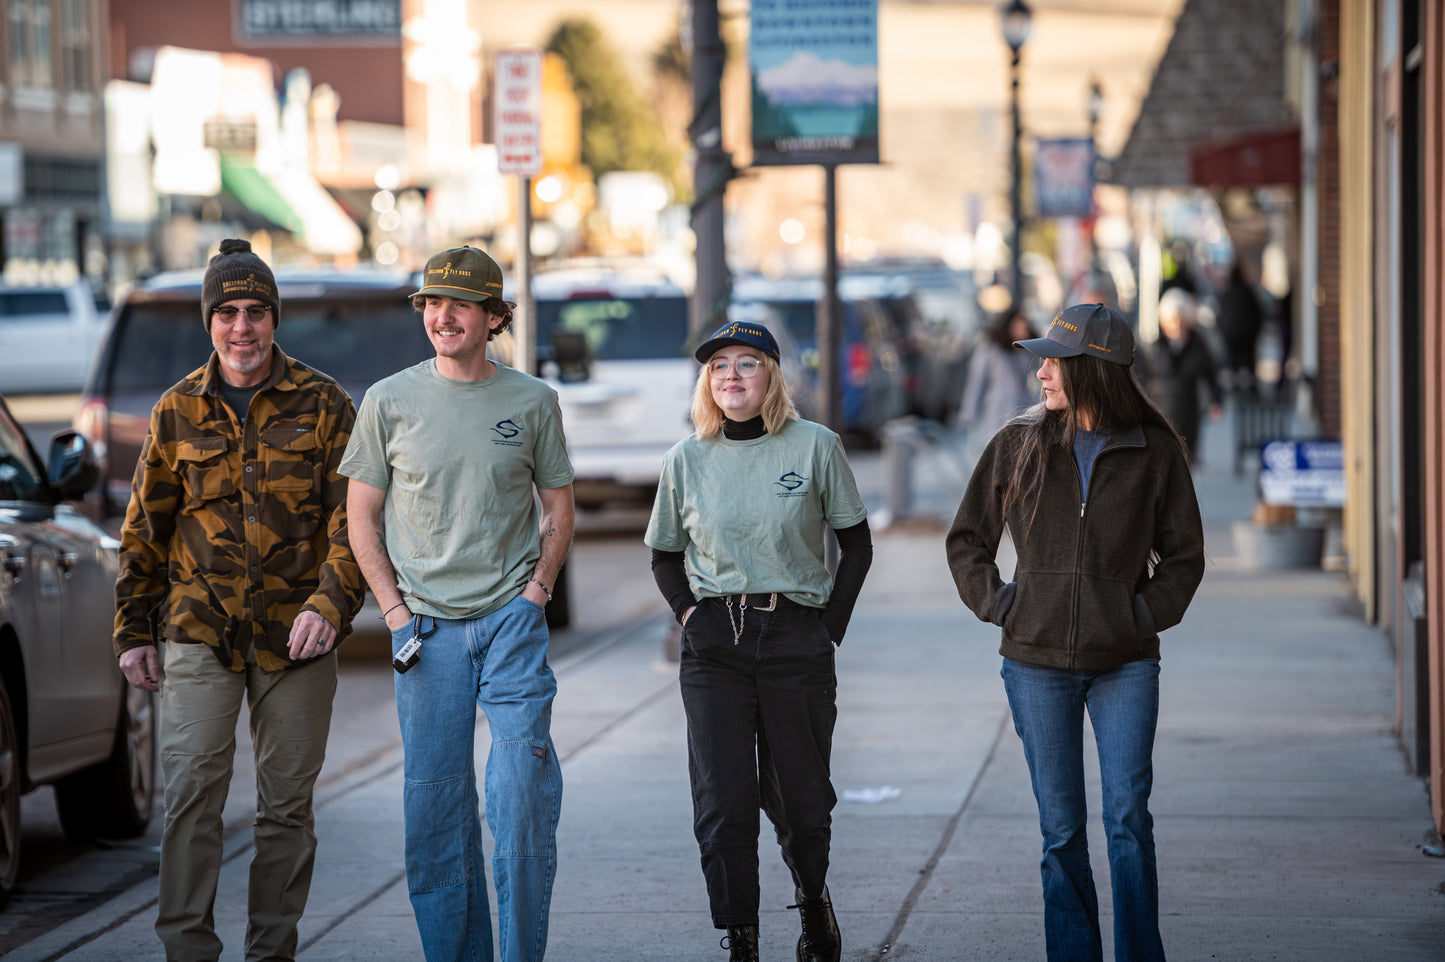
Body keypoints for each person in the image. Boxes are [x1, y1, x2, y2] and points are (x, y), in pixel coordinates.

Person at [114, 238, 365, 962]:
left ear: (275, 317)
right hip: (198, 635)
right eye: (228, 312)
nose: (243, 328)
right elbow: (145, 531)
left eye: (257, 311)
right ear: (209, 320)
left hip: (298, 640)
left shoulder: (323, 406)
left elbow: (354, 525)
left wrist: (331, 604)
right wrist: (132, 631)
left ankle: (270, 952)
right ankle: (188, 950)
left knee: (286, 808)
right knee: (192, 794)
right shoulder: (175, 412)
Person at [944, 303, 1205, 962]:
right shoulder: (1017, 442)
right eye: (1043, 359)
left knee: (1126, 820)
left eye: (1057, 361)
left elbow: (1183, 558)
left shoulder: (1154, 452)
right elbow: (967, 539)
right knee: (1059, 832)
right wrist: (1002, 604)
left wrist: (1140, 615)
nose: (1042, 373)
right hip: (1034, 664)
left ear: (1096, 371)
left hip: (1124, 662)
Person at [340, 245, 575, 962]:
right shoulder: (389, 400)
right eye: (432, 304)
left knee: (520, 797)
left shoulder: (532, 401)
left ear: (492, 316)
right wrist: (396, 614)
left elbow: (558, 509)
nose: (442, 316)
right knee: (436, 815)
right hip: (426, 636)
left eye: (460, 304)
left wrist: (536, 593)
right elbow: (360, 520)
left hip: (510, 626)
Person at [645, 320, 872, 962]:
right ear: (707, 382)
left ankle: (812, 901)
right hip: (715, 645)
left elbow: (856, 544)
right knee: (723, 803)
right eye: (720, 367)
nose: (733, 377)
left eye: (748, 363)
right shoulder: (685, 459)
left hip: (795, 639)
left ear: (773, 375)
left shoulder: (815, 446)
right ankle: (740, 935)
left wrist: (829, 628)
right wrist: (691, 615)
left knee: (801, 800)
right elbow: (664, 555)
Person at [1138, 288, 1222, 463]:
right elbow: (1143, 378)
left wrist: (1216, 400)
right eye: (1171, 321)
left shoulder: (1197, 345)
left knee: (1186, 460)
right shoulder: (1155, 348)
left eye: (1179, 320)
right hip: (1162, 411)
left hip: (1189, 411)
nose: (1176, 325)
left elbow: (1211, 373)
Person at [957, 311, 1040, 457]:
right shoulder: (991, 349)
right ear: (1009, 326)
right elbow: (977, 382)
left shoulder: (1025, 350)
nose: (1023, 330)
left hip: (1022, 406)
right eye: (1019, 326)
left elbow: (1041, 372)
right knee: (998, 452)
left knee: (1019, 452)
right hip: (997, 409)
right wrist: (968, 414)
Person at [1217, 261, 1263, 393]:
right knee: (1248, 369)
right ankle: (1249, 393)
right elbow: (1257, 315)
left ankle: (1237, 393)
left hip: (1232, 338)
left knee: (1234, 369)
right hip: (1247, 339)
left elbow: (1220, 317)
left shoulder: (1227, 294)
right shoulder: (1248, 293)